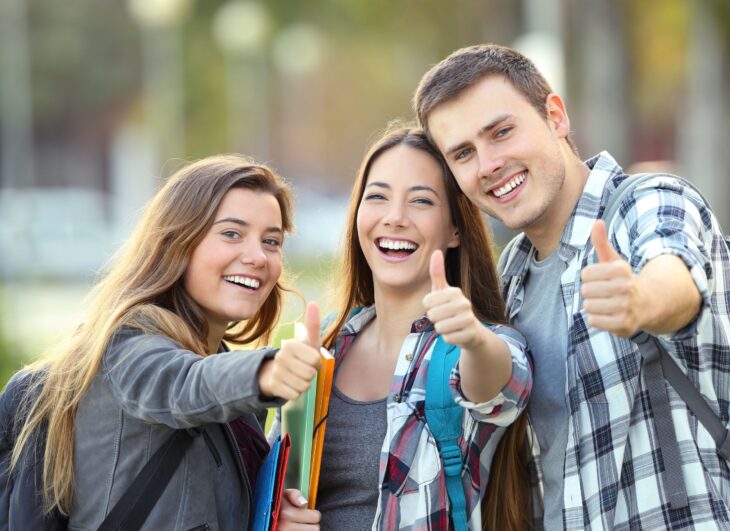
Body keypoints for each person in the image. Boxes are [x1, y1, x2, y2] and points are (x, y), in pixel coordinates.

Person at [413, 44, 730, 529]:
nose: (489, 164)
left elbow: (676, 277)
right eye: (464, 153)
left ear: (555, 116)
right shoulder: (512, 274)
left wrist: (639, 302)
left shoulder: (647, 201)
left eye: (502, 132)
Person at [2, 155, 324, 530]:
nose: (257, 257)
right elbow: (182, 383)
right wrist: (267, 372)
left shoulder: (222, 378)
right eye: (231, 234)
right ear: (177, 243)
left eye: (272, 241)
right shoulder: (127, 347)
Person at [302, 125, 532, 530]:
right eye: (378, 197)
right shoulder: (325, 350)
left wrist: (473, 340)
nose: (394, 218)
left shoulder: (477, 344)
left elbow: (501, 389)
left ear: (456, 229)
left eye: (421, 201)